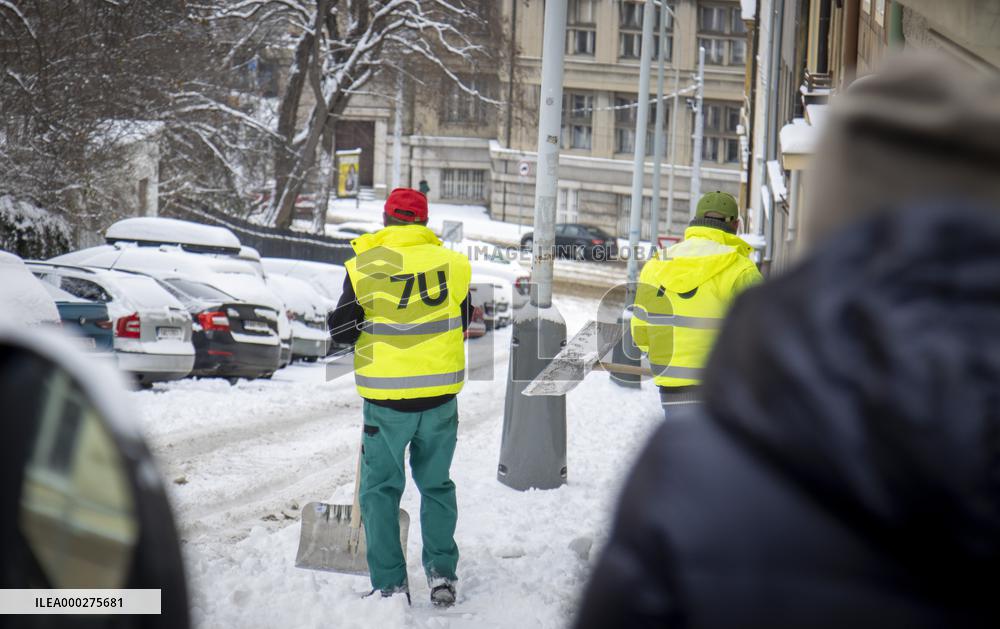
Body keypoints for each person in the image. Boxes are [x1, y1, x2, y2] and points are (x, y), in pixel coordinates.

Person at [573, 53, 1000, 629]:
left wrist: (656, 357)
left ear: (832, 219)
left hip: (680, 387)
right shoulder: (740, 269)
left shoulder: (685, 470)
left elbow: (646, 328)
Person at [329, 187, 472, 607]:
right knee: (436, 486)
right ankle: (442, 573)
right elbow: (464, 318)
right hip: (440, 400)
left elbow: (341, 333)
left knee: (379, 492)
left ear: (387, 219)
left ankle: (391, 584)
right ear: (424, 223)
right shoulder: (454, 265)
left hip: (386, 404)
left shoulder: (364, 266)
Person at [630, 191, 762, 415]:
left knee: (685, 443)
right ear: (737, 225)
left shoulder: (657, 263)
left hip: (671, 383)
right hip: (721, 383)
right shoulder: (741, 269)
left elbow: (639, 329)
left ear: (696, 220)